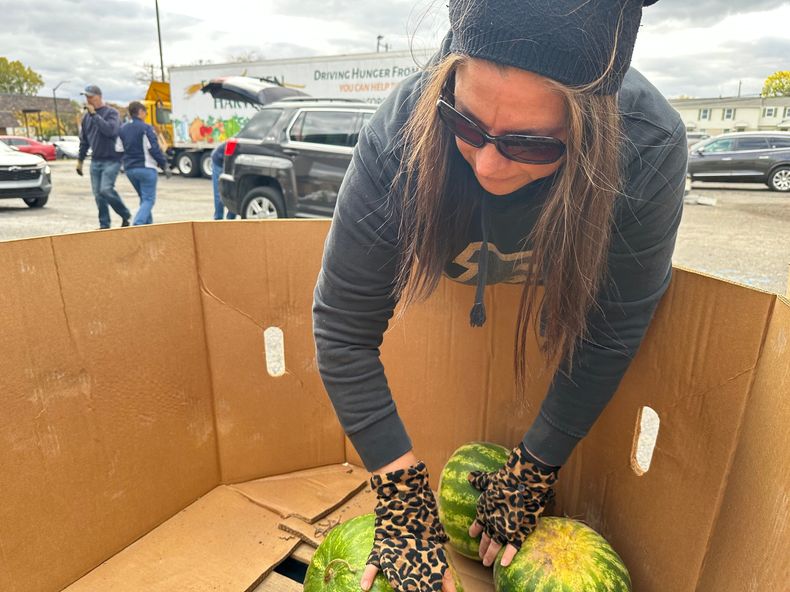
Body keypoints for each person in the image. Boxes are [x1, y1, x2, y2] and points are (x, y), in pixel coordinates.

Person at [312, 1, 685, 591]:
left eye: (531, 145)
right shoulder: (401, 129)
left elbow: (610, 332)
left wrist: (536, 465)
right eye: (464, 125)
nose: (487, 165)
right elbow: (342, 329)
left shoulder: (648, 146)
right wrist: (401, 492)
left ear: (590, 131)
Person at [76, 85, 132, 229]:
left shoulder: (111, 113)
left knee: (106, 189)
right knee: (98, 195)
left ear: (99, 97)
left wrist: (95, 115)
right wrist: (80, 161)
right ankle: (104, 225)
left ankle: (125, 215)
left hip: (112, 159)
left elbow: (110, 132)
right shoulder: (86, 118)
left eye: (91, 97)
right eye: (86, 97)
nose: (88, 100)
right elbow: (84, 141)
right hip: (96, 160)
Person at [118, 101, 171, 225]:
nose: (146, 114)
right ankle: (138, 224)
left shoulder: (122, 129)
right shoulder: (146, 128)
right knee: (149, 199)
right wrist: (164, 164)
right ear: (140, 112)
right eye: (145, 112)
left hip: (130, 169)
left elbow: (118, 149)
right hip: (146, 168)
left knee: (144, 198)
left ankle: (148, 226)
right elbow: (153, 148)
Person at [211, 142, 237, 220]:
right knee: (219, 192)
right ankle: (218, 219)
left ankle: (231, 219)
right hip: (219, 161)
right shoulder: (236, 142)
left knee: (235, 192)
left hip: (232, 163)